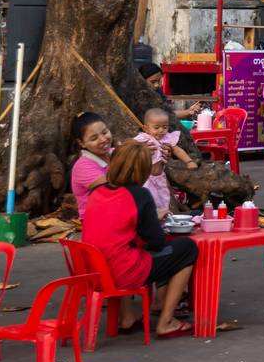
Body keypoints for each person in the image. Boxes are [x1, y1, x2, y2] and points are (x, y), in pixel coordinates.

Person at [80, 142, 199, 339]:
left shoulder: (96, 192)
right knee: (187, 249)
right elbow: (157, 242)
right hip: (122, 272)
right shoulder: (140, 195)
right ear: (143, 170)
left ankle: (127, 317)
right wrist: (154, 218)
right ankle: (167, 321)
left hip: (93, 271)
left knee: (127, 248)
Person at [134, 107, 198, 219]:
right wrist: (141, 149)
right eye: (156, 127)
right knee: (150, 200)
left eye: (165, 127)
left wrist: (189, 161)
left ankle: (163, 220)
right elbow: (131, 148)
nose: (161, 130)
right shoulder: (143, 139)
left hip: (160, 177)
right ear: (146, 128)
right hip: (146, 178)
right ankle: (150, 220)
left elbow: (177, 150)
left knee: (164, 200)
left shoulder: (167, 138)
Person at [70, 111, 114, 217]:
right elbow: (114, 186)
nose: (103, 139)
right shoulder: (83, 166)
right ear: (82, 143)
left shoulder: (114, 153)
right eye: (94, 138)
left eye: (104, 132)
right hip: (96, 219)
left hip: (115, 212)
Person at [138, 62, 202, 121]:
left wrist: (189, 111)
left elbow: (168, 112)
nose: (157, 85)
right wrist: (187, 112)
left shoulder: (158, 92)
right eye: (153, 82)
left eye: (159, 81)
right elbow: (163, 115)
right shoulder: (140, 97)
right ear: (142, 81)